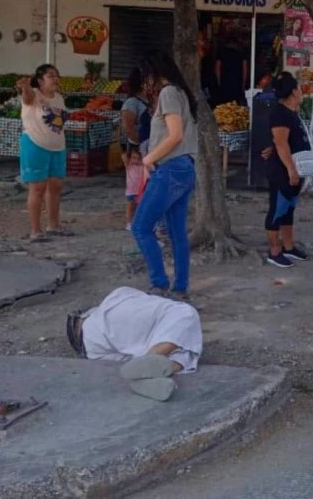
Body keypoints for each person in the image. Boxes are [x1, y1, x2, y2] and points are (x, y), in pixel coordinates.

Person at [131, 50, 198, 298]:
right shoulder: (181, 93)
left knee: (140, 227)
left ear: (154, 73)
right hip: (184, 168)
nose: (144, 82)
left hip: (169, 169)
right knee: (177, 234)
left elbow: (175, 135)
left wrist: (149, 158)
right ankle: (180, 288)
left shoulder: (169, 93)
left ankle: (159, 284)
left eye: (145, 76)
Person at [66, 286, 203, 402]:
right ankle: (154, 360)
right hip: (107, 322)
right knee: (185, 315)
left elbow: (128, 362)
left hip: (94, 346)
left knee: (185, 349)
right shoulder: (117, 295)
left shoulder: (92, 352)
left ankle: (151, 372)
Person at [261, 72, 309, 268]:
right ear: (294, 91)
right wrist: (291, 169)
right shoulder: (280, 113)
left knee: (289, 208)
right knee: (278, 208)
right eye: (299, 88)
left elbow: (283, 141)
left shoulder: (292, 112)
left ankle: (289, 246)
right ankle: (274, 251)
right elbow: (281, 144)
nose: (301, 92)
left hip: (295, 168)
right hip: (282, 170)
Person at [17, 64, 69, 242]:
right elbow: (27, 97)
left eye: (56, 76)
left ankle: (53, 225)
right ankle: (35, 230)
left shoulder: (59, 98)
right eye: (51, 76)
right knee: (37, 188)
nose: (55, 79)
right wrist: (25, 87)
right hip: (35, 145)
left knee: (55, 187)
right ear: (40, 81)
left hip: (58, 147)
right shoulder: (34, 95)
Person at [121, 68, 148, 152]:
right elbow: (128, 128)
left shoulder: (151, 100)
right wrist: (141, 142)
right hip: (138, 148)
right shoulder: (131, 103)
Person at [215, 39, 248, 105]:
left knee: (225, 105)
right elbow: (245, 70)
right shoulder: (241, 54)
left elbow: (217, 69)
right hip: (237, 82)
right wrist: (243, 84)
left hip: (225, 82)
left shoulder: (221, 54)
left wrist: (218, 82)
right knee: (236, 105)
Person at [124, 148, 144, 231]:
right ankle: (129, 224)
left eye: (138, 158)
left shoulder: (142, 166)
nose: (136, 160)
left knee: (139, 208)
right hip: (130, 192)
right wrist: (130, 157)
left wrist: (140, 162)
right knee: (130, 209)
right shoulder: (128, 165)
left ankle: (137, 223)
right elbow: (123, 155)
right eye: (134, 158)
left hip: (140, 191)